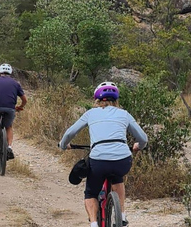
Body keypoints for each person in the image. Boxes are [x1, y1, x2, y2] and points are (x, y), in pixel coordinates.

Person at [59, 82, 148, 227]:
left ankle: (94, 224)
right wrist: (138, 146)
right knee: (117, 176)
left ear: (97, 99)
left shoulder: (90, 113)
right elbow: (143, 138)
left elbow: (70, 133)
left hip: (99, 161)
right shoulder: (124, 114)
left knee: (91, 193)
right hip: (123, 160)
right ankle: (122, 215)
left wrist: (63, 145)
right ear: (116, 100)